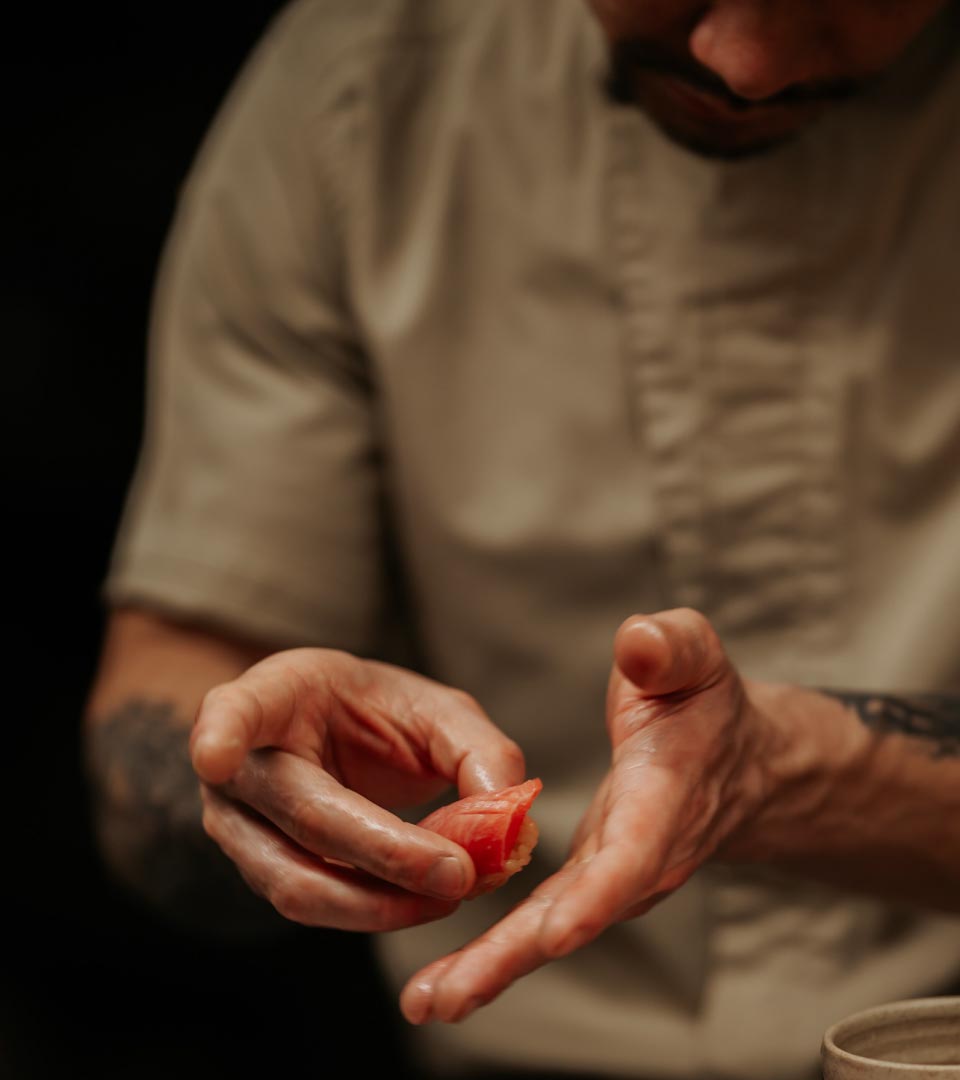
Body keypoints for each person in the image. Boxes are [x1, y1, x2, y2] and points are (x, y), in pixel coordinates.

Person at [83, 1, 960, 1078]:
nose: (746, 64)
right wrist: (254, 775)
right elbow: (165, 695)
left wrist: (781, 769)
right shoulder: (361, 75)